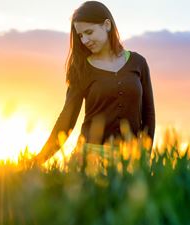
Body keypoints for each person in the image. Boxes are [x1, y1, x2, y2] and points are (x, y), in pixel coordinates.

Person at [35, 1, 155, 164]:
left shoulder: (138, 63)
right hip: (89, 158)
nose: (84, 40)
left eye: (89, 32)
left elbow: (148, 114)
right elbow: (67, 120)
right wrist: (37, 161)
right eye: (80, 35)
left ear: (107, 25)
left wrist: (144, 157)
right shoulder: (81, 69)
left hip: (130, 160)